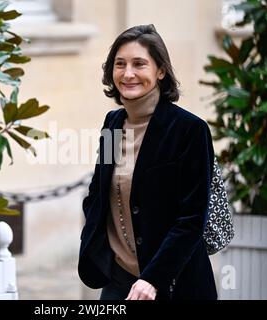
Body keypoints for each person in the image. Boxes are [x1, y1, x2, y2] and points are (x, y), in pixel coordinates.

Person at [78, 24, 217, 300]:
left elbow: (191, 220)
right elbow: (97, 193)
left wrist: (153, 279)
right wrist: (95, 246)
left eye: (139, 64)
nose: (128, 73)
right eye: (120, 64)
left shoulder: (190, 130)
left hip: (173, 282)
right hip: (118, 280)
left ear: (160, 71)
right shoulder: (112, 124)